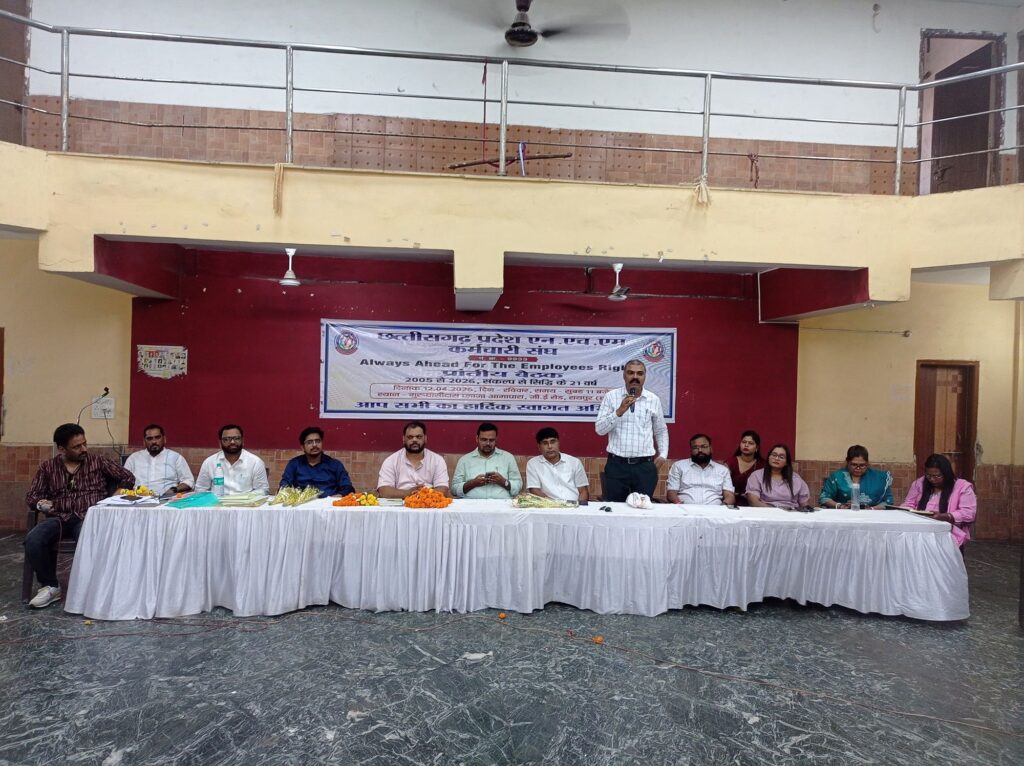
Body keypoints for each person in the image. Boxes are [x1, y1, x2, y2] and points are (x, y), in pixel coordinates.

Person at [24, 423, 135, 608]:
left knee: (87, 536)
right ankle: (50, 586)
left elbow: (128, 477)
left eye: (84, 443)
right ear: (62, 449)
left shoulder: (98, 462)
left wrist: (117, 494)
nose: (83, 449)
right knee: (33, 539)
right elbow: (32, 496)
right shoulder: (48, 468)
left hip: (88, 516)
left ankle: (89, 588)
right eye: (77, 447)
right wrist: (41, 503)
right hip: (58, 517)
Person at [595, 358, 669, 501]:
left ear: (645, 376)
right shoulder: (611, 397)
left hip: (644, 467)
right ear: (624, 375)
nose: (635, 377)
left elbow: (660, 430)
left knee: (642, 508)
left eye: (639, 373)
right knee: (616, 509)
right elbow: (600, 429)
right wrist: (619, 411)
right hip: (617, 466)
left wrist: (663, 454)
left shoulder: (653, 399)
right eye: (630, 373)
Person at [902, 453, 977, 548]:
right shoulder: (919, 483)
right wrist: (903, 510)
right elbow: (909, 503)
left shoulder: (962, 487)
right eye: (928, 475)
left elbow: (968, 513)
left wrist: (946, 516)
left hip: (949, 537)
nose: (932, 479)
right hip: (920, 535)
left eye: (937, 476)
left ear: (947, 474)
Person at [377, 421, 450, 498]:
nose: (414, 440)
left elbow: (443, 489)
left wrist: (423, 495)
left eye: (419, 437)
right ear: (403, 439)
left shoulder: (437, 460)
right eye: (410, 437)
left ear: (425, 438)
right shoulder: (391, 461)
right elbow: (384, 491)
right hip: (400, 502)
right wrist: (408, 493)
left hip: (429, 501)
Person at [452, 422, 522, 499]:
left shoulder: (508, 458)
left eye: (491, 440)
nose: (488, 443)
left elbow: (518, 486)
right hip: (471, 504)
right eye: (484, 440)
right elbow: (454, 490)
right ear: (477, 439)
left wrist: (503, 482)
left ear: (496, 440)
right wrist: (473, 483)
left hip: (502, 504)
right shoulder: (464, 460)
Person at [195, 424, 270, 494]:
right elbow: (200, 489)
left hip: (246, 503)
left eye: (236, 438)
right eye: (227, 439)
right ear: (220, 443)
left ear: (243, 441)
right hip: (217, 502)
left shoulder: (255, 462)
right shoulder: (209, 462)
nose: (232, 442)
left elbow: (262, 491)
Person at [279, 426, 354, 497]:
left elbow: (347, 487)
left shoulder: (335, 465)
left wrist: (334, 499)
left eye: (317, 441)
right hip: (301, 504)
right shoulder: (294, 464)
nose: (314, 445)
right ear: (302, 447)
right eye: (309, 442)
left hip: (328, 504)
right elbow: (284, 487)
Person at [123, 423, 194, 496]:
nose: (154, 441)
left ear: (164, 439)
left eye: (157, 437)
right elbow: (123, 481)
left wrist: (174, 490)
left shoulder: (176, 458)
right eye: (149, 438)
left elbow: (189, 481)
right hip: (137, 499)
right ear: (144, 442)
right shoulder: (133, 459)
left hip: (167, 499)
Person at [666, 433, 736, 506]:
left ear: (711, 449)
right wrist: (679, 505)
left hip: (715, 510)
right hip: (685, 509)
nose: (700, 450)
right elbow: (671, 493)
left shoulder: (723, 470)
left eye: (704, 446)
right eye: (695, 447)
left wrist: (722, 508)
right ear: (691, 450)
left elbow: (729, 495)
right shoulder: (678, 466)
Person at [525, 427, 590, 503]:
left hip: (574, 505)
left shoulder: (574, 462)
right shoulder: (533, 464)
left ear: (558, 443)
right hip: (548, 506)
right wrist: (554, 505)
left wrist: (579, 507)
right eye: (545, 443)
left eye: (553, 442)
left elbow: (583, 491)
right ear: (539, 447)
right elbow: (534, 491)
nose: (550, 446)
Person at [819, 445, 893, 509]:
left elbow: (888, 501)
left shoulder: (879, 478)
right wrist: (840, 506)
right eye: (854, 465)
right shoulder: (837, 477)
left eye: (862, 465)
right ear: (847, 462)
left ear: (867, 463)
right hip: (843, 514)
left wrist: (872, 509)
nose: (858, 468)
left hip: (872, 515)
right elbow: (824, 498)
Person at [745, 443, 811, 510]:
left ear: (786, 462)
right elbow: (753, 501)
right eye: (774, 455)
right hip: (766, 512)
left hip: (791, 513)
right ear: (768, 457)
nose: (776, 458)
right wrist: (775, 511)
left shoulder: (796, 479)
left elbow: (804, 504)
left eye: (781, 457)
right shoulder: (757, 476)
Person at [725, 430, 765, 505]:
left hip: (755, 502)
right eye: (744, 442)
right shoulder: (730, 462)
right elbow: (723, 484)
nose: (746, 445)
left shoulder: (762, 465)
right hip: (732, 501)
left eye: (751, 443)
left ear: (757, 447)